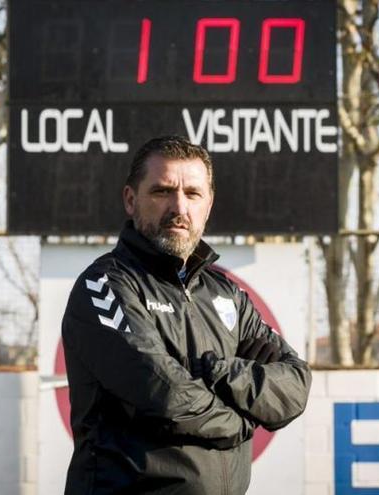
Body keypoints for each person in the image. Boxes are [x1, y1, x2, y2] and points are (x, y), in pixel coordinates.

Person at [61, 135, 311, 494]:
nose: (179, 207)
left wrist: (224, 373)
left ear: (208, 205)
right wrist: (242, 422)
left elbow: (294, 385)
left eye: (193, 194)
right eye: (162, 191)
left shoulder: (228, 296)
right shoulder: (104, 286)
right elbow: (164, 393)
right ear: (131, 200)